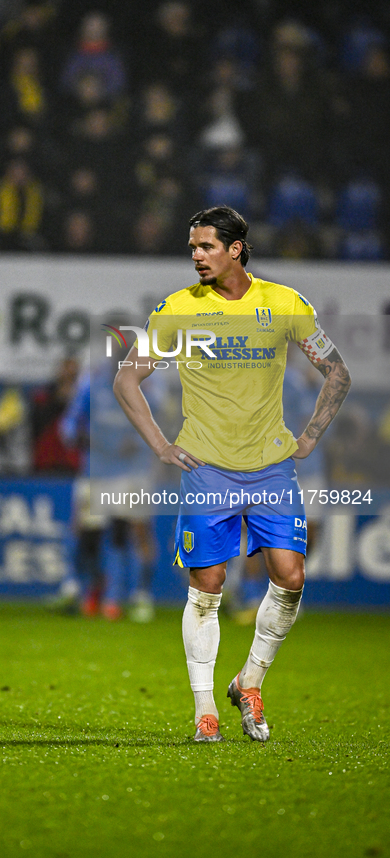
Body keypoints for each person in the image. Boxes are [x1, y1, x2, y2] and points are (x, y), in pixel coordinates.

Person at [113, 205, 351, 742]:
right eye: (192, 247)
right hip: (207, 468)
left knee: (290, 576)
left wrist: (310, 436)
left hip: (271, 469)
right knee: (209, 584)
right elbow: (127, 381)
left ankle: (249, 682)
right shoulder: (178, 310)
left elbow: (336, 372)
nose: (196, 256)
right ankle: (205, 711)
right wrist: (160, 444)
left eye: (206, 247)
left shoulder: (284, 304)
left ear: (236, 248)